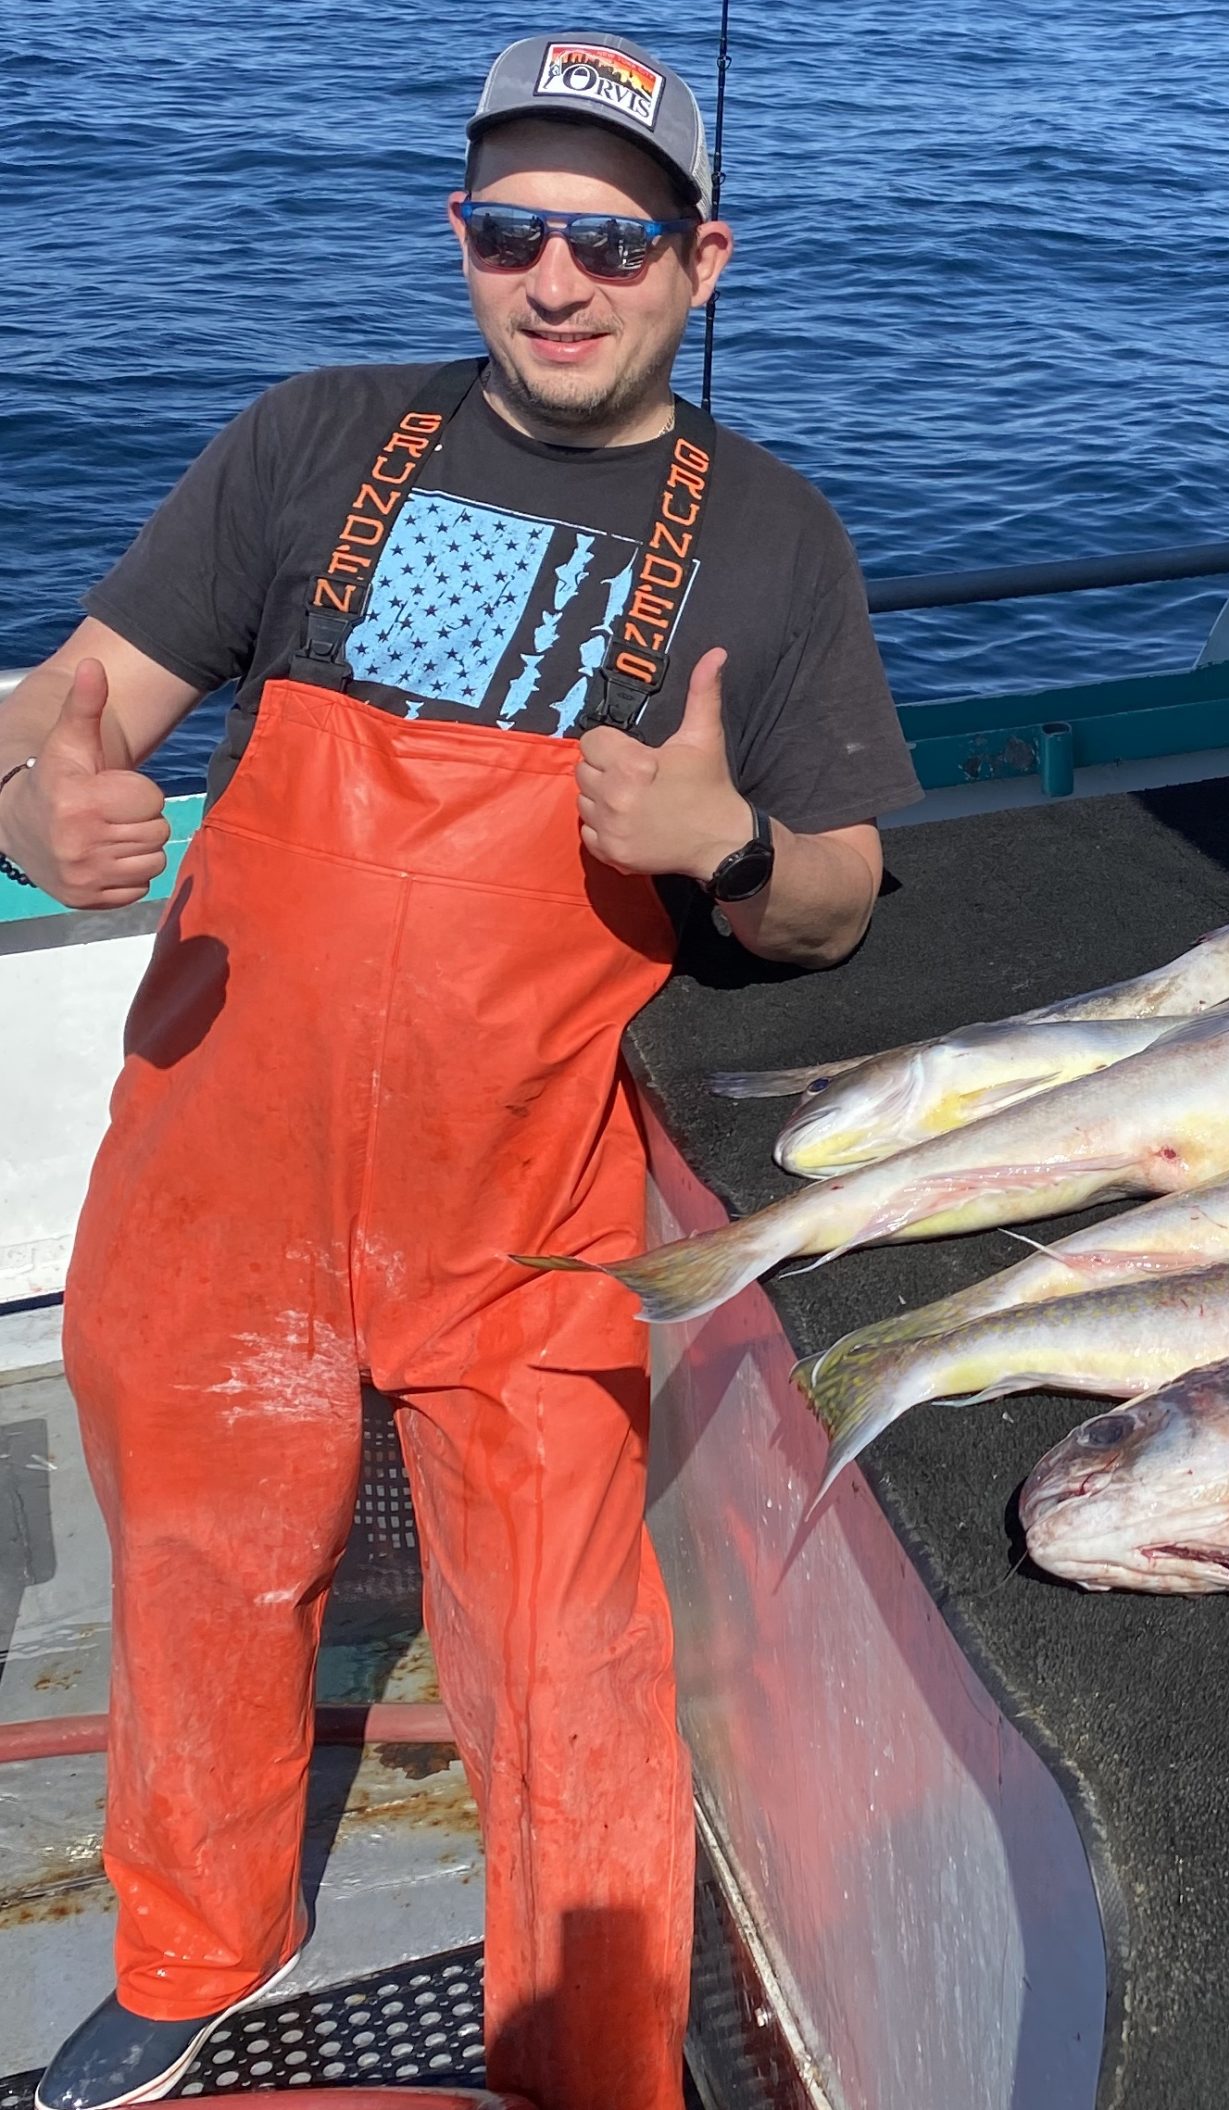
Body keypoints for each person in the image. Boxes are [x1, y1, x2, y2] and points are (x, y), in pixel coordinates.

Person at [2, 34, 921, 2110]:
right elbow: (69, 711)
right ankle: (194, 1941)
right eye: (513, 228)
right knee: (199, 1577)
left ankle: (593, 2049)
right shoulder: (317, 440)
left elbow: (845, 894)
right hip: (221, 1168)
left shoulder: (768, 541)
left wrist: (732, 853)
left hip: (519, 1211)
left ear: (703, 259)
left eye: (611, 236)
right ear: (461, 240)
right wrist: (23, 816)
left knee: (566, 1658)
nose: (557, 279)